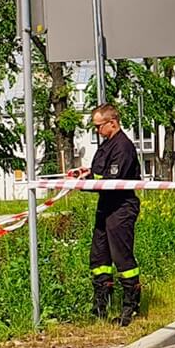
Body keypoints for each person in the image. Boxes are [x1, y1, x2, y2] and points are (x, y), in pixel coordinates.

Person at [70, 103, 141, 325]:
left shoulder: (123, 147)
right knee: (99, 258)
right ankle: (101, 307)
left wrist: (83, 184)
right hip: (105, 207)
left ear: (112, 123)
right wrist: (85, 174)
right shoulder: (107, 145)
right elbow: (100, 173)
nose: (97, 131)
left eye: (99, 126)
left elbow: (111, 180)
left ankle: (130, 308)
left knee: (122, 258)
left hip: (121, 207)